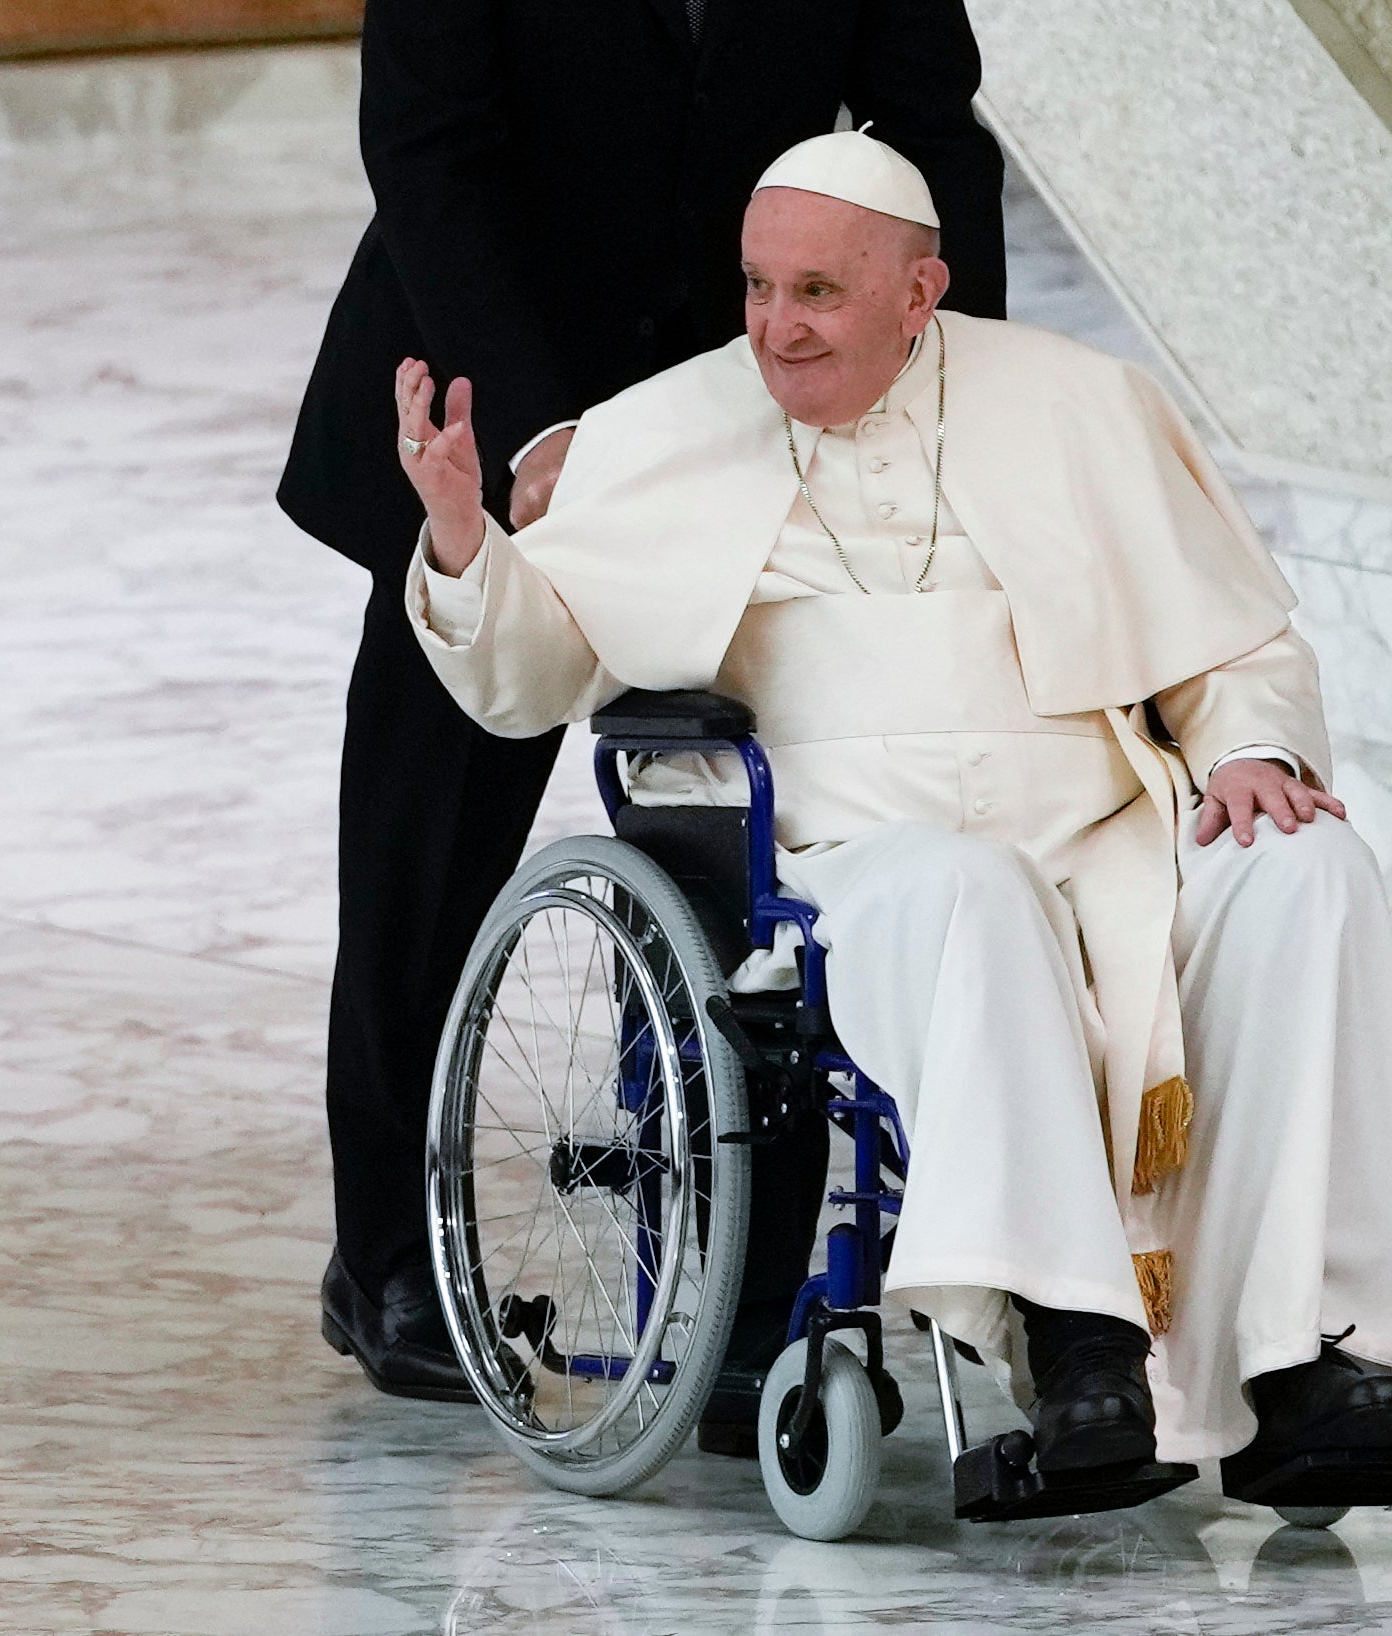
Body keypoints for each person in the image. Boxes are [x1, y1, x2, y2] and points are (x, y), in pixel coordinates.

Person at [388, 129, 1392, 1476]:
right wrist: (463, 543)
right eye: (756, 287)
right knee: (972, 890)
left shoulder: (1079, 403)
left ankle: (1307, 1349)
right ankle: (1074, 1342)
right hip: (852, 860)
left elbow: (1236, 648)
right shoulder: (658, 434)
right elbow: (529, 677)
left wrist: (1255, 754)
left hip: (1115, 825)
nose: (776, 326)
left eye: (818, 293)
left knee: (1308, 868)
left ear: (920, 290)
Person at [281, 0, 1010, 1422]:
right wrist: (553, 429)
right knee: (424, 863)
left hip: (748, 408)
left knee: (743, 857)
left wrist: (952, 381)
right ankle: (387, 1260)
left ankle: (733, 1284)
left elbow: (929, 127)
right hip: (485, 402)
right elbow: (429, 153)